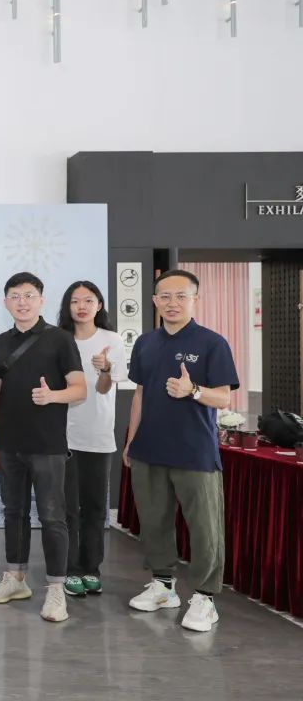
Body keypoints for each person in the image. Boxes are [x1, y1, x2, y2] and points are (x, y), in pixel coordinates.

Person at [123, 269, 238, 633]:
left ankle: (205, 597)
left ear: (194, 300)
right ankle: (163, 586)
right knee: (154, 521)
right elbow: (140, 393)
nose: (172, 303)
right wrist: (131, 441)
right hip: (149, 449)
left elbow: (224, 397)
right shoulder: (145, 343)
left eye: (181, 296)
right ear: (154, 301)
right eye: (165, 296)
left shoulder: (212, 343)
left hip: (194, 452)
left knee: (204, 527)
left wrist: (194, 391)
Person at [0, 272, 85, 623]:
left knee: (53, 516)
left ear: (41, 300)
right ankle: (15, 578)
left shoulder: (60, 339)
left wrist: (52, 396)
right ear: (5, 302)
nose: (22, 302)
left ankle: (56, 590)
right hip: (8, 445)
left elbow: (80, 389)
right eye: (15, 296)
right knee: (13, 512)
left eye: (28, 295)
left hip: (48, 445)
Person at [57, 280, 127, 598]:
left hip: (98, 435)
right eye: (75, 301)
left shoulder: (112, 340)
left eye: (88, 300)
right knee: (68, 508)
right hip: (63, 436)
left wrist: (105, 369)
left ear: (99, 305)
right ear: (67, 306)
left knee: (95, 507)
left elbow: (103, 389)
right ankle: (70, 569)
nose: (82, 306)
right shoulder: (59, 340)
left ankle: (91, 568)